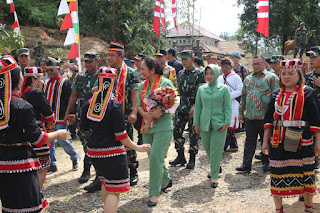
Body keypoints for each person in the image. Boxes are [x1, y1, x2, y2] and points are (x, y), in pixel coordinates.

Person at [0, 55, 68, 213]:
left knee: (9, 207)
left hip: (2, 162)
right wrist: (58, 134)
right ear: (17, 79)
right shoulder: (21, 106)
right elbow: (38, 139)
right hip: (21, 162)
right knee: (29, 208)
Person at [80, 66, 151, 212]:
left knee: (106, 183)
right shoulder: (115, 105)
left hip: (94, 151)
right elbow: (121, 135)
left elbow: (84, 129)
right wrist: (138, 147)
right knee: (114, 190)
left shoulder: (88, 104)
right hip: (111, 152)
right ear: (113, 83)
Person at [262, 59, 320, 213]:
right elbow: (269, 119)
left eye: (290, 73)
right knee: (277, 175)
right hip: (278, 140)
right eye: (283, 73)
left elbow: (315, 121)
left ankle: (308, 208)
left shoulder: (308, 92)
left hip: (303, 141)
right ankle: (279, 209)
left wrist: (318, 143)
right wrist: (265, 141)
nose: (286, 76)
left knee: (307, 176)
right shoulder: (276, 94)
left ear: (299, 74)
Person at [137, 57, 175, 206]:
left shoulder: (166, 83)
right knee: (154, 157)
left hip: (163, 126)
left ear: (152, 70)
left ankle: (154, 193)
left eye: (143, 69)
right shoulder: (142, 85)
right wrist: (144, 114)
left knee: (154, 158)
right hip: (147, 127)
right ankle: (165, 180)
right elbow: (139, 105)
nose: (140, 71)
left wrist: (162, 110)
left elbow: (175, 102)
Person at [236, 55, 279, 173]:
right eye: (254, 64)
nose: (255, 66)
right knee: (249, 141)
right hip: (250, 116)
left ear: (264, 64)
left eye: (258, 64)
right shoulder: (248, 79)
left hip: (265, 116)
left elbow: (277, 97)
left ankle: (267, 163)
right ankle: (246, 164)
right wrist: (241, 113)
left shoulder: (272, 78)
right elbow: (243, 97)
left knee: (266, 141)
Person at [64, 52, 100, 192]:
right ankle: (87, 170)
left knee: (96, 143)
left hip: (97, 116)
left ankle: (98, 173)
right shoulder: (80, 77)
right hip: (82, 116)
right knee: (86, 143)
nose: (88, 63)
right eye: (86, 61)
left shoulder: (102, 75)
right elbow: (74, 95)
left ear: (97, 61)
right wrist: (68, 112)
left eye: (91, 61)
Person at [106, 41, 140, 186]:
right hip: (107, 115)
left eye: (112, 56)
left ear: (121, 57)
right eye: (108, 55)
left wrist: (134, 111)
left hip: (124, 114)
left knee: (128, 143)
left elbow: (134, 93)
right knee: (109, 144)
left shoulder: (130, 73)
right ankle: (114, 172)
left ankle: (133, 171)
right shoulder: (105, 71)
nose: (109, 58)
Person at [194, 64, 232, 188]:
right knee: (208, 149)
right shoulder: (201, 89)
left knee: (216, 150)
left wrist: (227, 122)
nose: (209, 76)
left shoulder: (224, 89)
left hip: (219, 124)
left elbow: (228, 107)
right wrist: (196, 123)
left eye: (212, 73)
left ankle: (214, 176)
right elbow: (198, 107)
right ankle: (216, 166)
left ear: (216, 74)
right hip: (204, 123)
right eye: (207, 74)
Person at [169, 50, 205, 169]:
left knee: (193, 134)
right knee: (176, 131)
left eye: (186, 59)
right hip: (181, 107)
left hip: (194, 108)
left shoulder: (200, 73)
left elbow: (201, 92)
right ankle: (180, 156)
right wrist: (174, 106)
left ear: (192, 58)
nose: (183, 61)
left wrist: (196, 106)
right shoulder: (180, 73)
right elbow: (178, 91)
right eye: (182, 59)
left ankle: (192, 158)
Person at [44, 57, 80, 173]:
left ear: (58, 69)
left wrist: (72, 113)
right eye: (48, 71)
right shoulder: (46, 83)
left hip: (60, 116)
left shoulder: (65, 82)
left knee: (61, 140)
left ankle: (74, 157)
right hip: (49, 117)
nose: (49, 73)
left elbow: (71, 98)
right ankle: (52, 164)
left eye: (52, 70)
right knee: (49, 141)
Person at [21, 67, 55, 189]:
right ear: (33, 79)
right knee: (43, 164)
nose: (42, 81)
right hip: (37, 130)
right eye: (41, 78)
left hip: (23, 132)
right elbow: (49, 114)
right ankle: (37, 193)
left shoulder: (22, 93)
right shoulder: (36, 93)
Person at [217, 58, 243, 152]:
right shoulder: (220, 78)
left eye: (226, 66)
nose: (224, 69)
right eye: (222, 66)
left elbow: (240, 91)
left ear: (231, 66)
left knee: (230, 125)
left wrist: (227, 96)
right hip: (221, 104)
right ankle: (233, 144)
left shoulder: (236, 77)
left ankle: (223, 145)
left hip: (232, 103)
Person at [306, 46, 320, 170]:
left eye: (314, 57)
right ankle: (314, 158)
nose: (311, 59)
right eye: (310, 57)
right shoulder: (308, 76)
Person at [133, 53, 145, 146]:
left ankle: (141, 137)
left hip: (144, 101)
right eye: (135, 60)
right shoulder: (133, 73)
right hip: (135, 101)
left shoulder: (145, 73)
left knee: (142, 120)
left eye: (138, 60)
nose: (137, 62)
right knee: (136, 122)